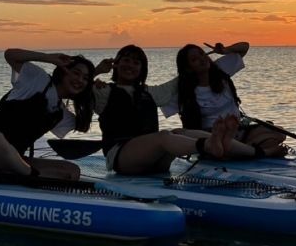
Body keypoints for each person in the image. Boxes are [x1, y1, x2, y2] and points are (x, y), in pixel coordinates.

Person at [93, 44, 261, 175]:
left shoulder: (151, 93)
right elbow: (75, 88)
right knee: (164, 136)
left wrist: (207, 59)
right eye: (126, 60)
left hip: (155, 161)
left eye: (136, 62)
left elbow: (185, 76)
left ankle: (257, 152)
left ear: (142, 70)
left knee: (181, 132)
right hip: (122, 157)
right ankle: (210, 146)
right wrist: (97, 71)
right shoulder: (103, 91)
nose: (130, 65)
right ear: (116, 64)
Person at [0, 49, 95, 180]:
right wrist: (48, 58)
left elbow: (83, 126)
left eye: (85, 78)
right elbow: (10, 55)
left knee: (72, 171)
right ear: (63, 71)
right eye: (76, 73)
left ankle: (18, 174)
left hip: (14, 161)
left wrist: (96, 85)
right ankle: (31, 176)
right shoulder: (38, 79)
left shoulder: (60, 112)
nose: (80, 80)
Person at [171, 41, 286, 156]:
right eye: (194, 59)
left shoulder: (221, 70)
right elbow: (156, 97)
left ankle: (238, 150)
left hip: (238, 132)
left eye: (202, 54)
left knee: (279, 132)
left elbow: (244, 47)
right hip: (212, 136)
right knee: (178, 134)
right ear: (188, 68)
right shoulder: (184, 90)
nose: (202, 59)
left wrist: (225, 51)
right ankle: (255, 151)